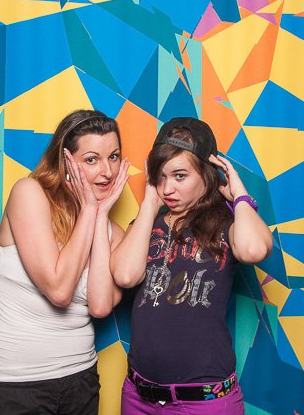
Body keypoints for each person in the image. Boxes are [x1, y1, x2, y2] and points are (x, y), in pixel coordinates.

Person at [110, 117, 273, 414]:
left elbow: (254, 249)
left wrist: (239, 194)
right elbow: (124, 275)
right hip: (138, 397)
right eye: (160, 177)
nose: (167, 188)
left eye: (180, 176)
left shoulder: (228, 222)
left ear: (207, 175)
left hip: (203, 402)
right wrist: (148, 205)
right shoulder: (148, 224)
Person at [0, 110, 130, 415]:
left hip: (81, 377)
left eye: (113, 157)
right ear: (65, 161)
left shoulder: (113, 232)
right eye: (91, 159)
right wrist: (90, 210)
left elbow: (101, 306)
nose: (107, 171)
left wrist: (99, 216)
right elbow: (59, 290)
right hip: (16, 383)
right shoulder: (29, 194)